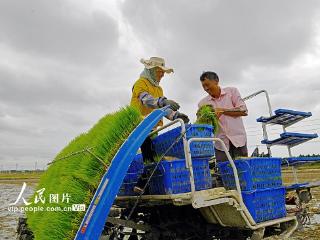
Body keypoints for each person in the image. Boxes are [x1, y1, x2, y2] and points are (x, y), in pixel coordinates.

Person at [131, 57, 189, 192]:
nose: (162, 74)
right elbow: (146, 100)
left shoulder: (159, 89)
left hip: (153, 127)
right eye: (160, 71)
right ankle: (140, 185)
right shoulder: (140, 83)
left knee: (152, 156)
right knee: (149, 156)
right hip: (140, 125)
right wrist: (163, 102)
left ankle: (144, 186)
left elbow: (162, 109)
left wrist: (175, 115)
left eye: (163, 72)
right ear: (151, 70)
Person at [197, 71, 248, 162]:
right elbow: (203, 125)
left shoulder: (232, 92)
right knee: (224, 172)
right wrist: (203, 119)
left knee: (242, 169)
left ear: (216, 81)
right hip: (220, 143)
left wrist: (223, 111)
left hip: (238, 139)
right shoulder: (202, 104)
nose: (206, 88)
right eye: (203, 86)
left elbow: (243, 111)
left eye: (207, 84)